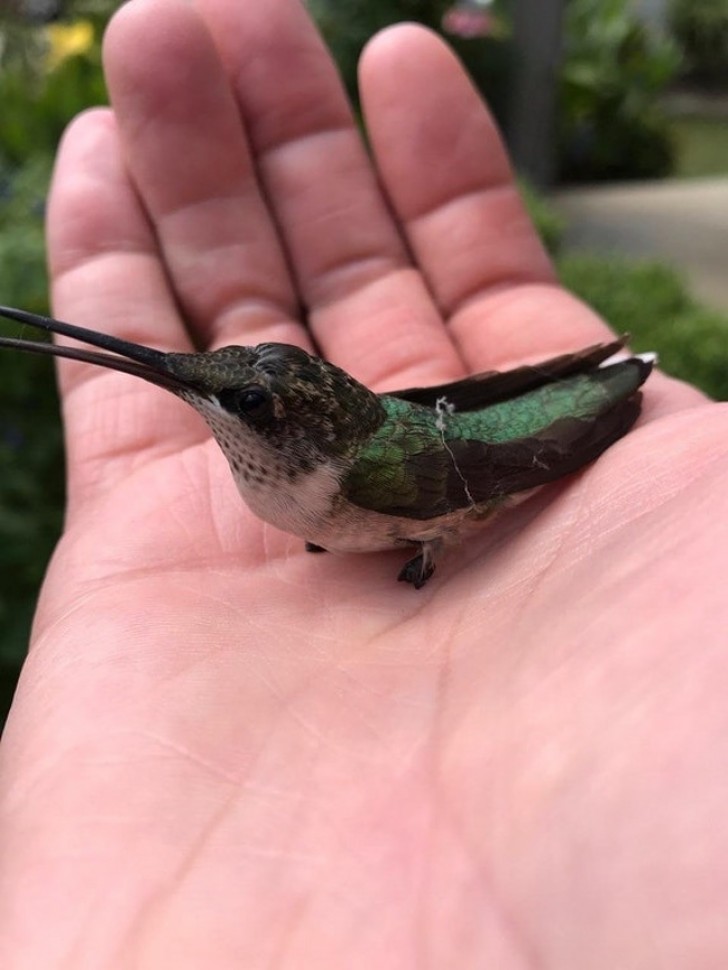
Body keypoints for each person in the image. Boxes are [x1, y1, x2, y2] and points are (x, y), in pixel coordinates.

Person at [1, 0, 726, 965]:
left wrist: (572, 411)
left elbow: (487, 451)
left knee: (509, 437)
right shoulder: (291, 481)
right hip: (404, 428)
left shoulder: (363, 479)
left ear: (302, 443)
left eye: (245, 406)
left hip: (466, 468)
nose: (208, 400)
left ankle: (605, 387)